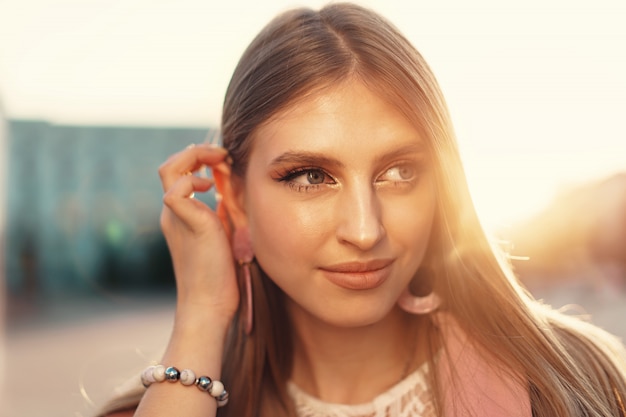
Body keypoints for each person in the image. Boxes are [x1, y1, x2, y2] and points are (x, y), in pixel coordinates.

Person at [99, 2, 626, 416]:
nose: (364, 229)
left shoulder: (578, 387)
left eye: (400, 172)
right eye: (310, 176)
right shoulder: (155, 407)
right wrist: (200, 317)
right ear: (235, 199)